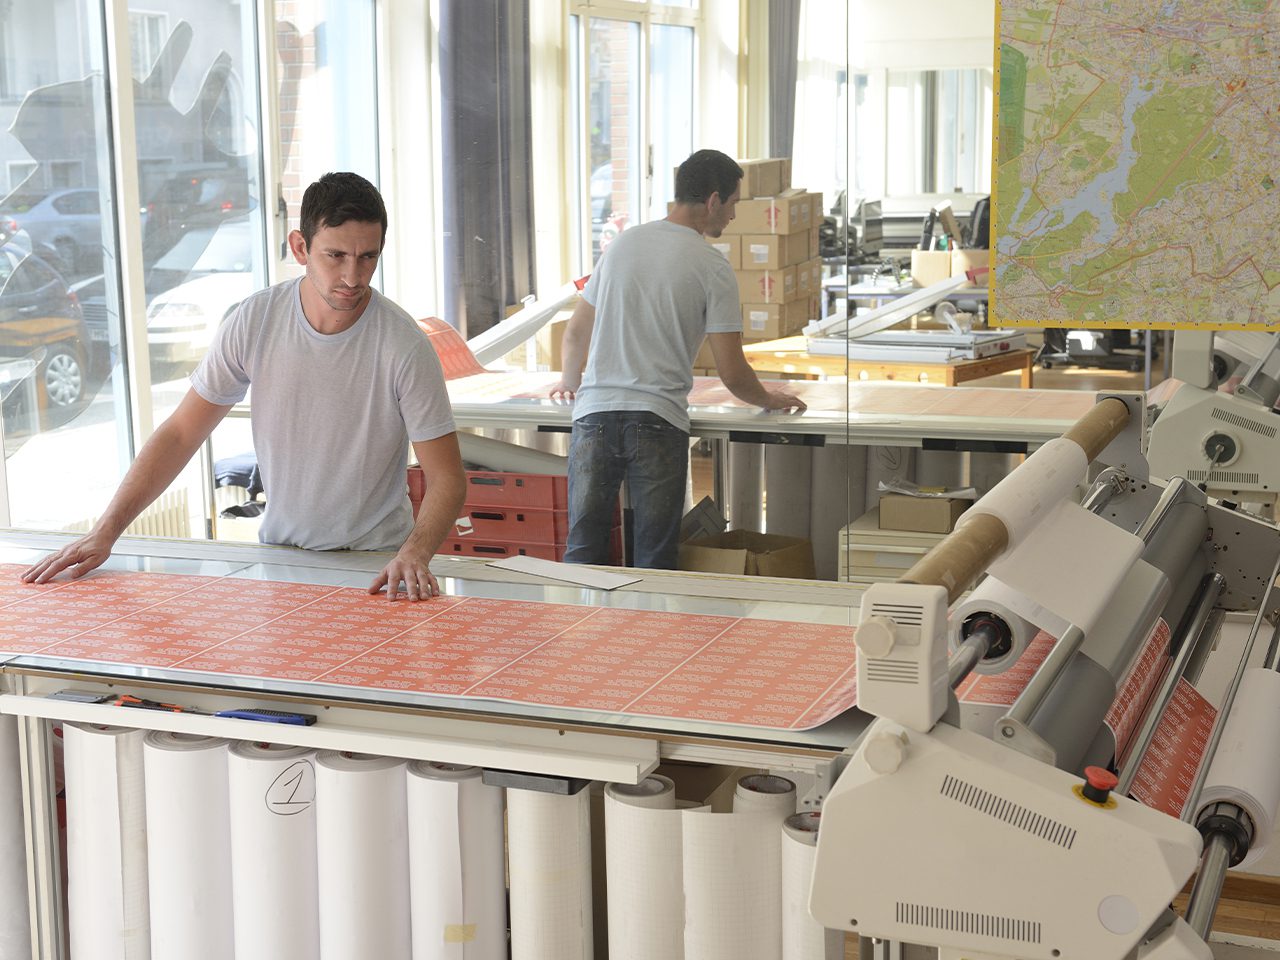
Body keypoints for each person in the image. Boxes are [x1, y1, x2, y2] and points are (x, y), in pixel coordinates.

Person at [22, 172, 466, 601]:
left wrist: (415, 552)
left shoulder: (403, 345)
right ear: (300, 247)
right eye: (336, 256)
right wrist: (106, 531)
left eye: (367, 256)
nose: (353, 275)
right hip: (278, 556)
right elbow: (181, 433)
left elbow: (446, 477)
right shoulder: (255, 321)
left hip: (379, 563)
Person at [550, 149, 806, 570]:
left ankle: (584, 634)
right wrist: (769, 398)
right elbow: (731, 369)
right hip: (657, 419)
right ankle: (652, 635)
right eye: (734, 205)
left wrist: (568, 379)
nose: (733, 217)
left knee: (583, 548)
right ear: (712, 201)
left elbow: (577, 331)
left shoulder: (623, 244)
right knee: (654, 556)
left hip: (594, 416)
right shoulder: (711, 266)